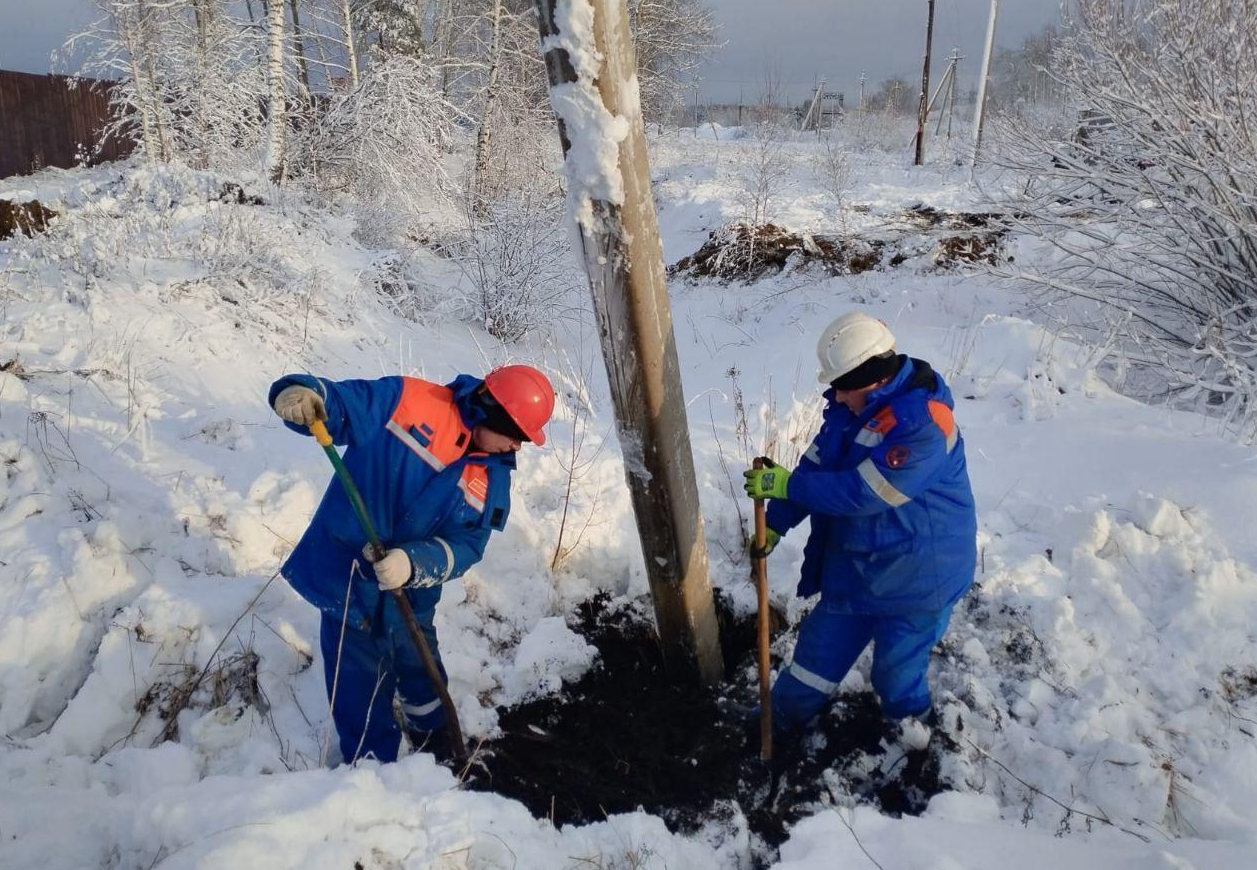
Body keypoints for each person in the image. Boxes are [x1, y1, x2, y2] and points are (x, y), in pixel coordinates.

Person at [269, 365, 555, 763]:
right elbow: (341, 407)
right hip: (349, 580)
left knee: (422, 669)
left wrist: (413, 562)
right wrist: (304, 392)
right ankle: (374, 768)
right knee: (358, 684)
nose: (518, 447)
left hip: (413, 594)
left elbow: (469, 545)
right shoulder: (410, 402)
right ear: (494, 412)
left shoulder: (491, 476)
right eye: (517, 435)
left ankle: (435, 739)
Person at [742, 311, 977, 739]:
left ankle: (910, 745)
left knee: (895, 675)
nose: (835, 395)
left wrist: (789, 488)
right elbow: (817, 468)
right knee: (815, 658)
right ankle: (776, 726)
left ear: (874, 378)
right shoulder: (851, 409)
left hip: (919, 578)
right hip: (859, 569)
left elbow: (864, 493)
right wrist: (776, 521)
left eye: (842, 386)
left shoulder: (925, 422)